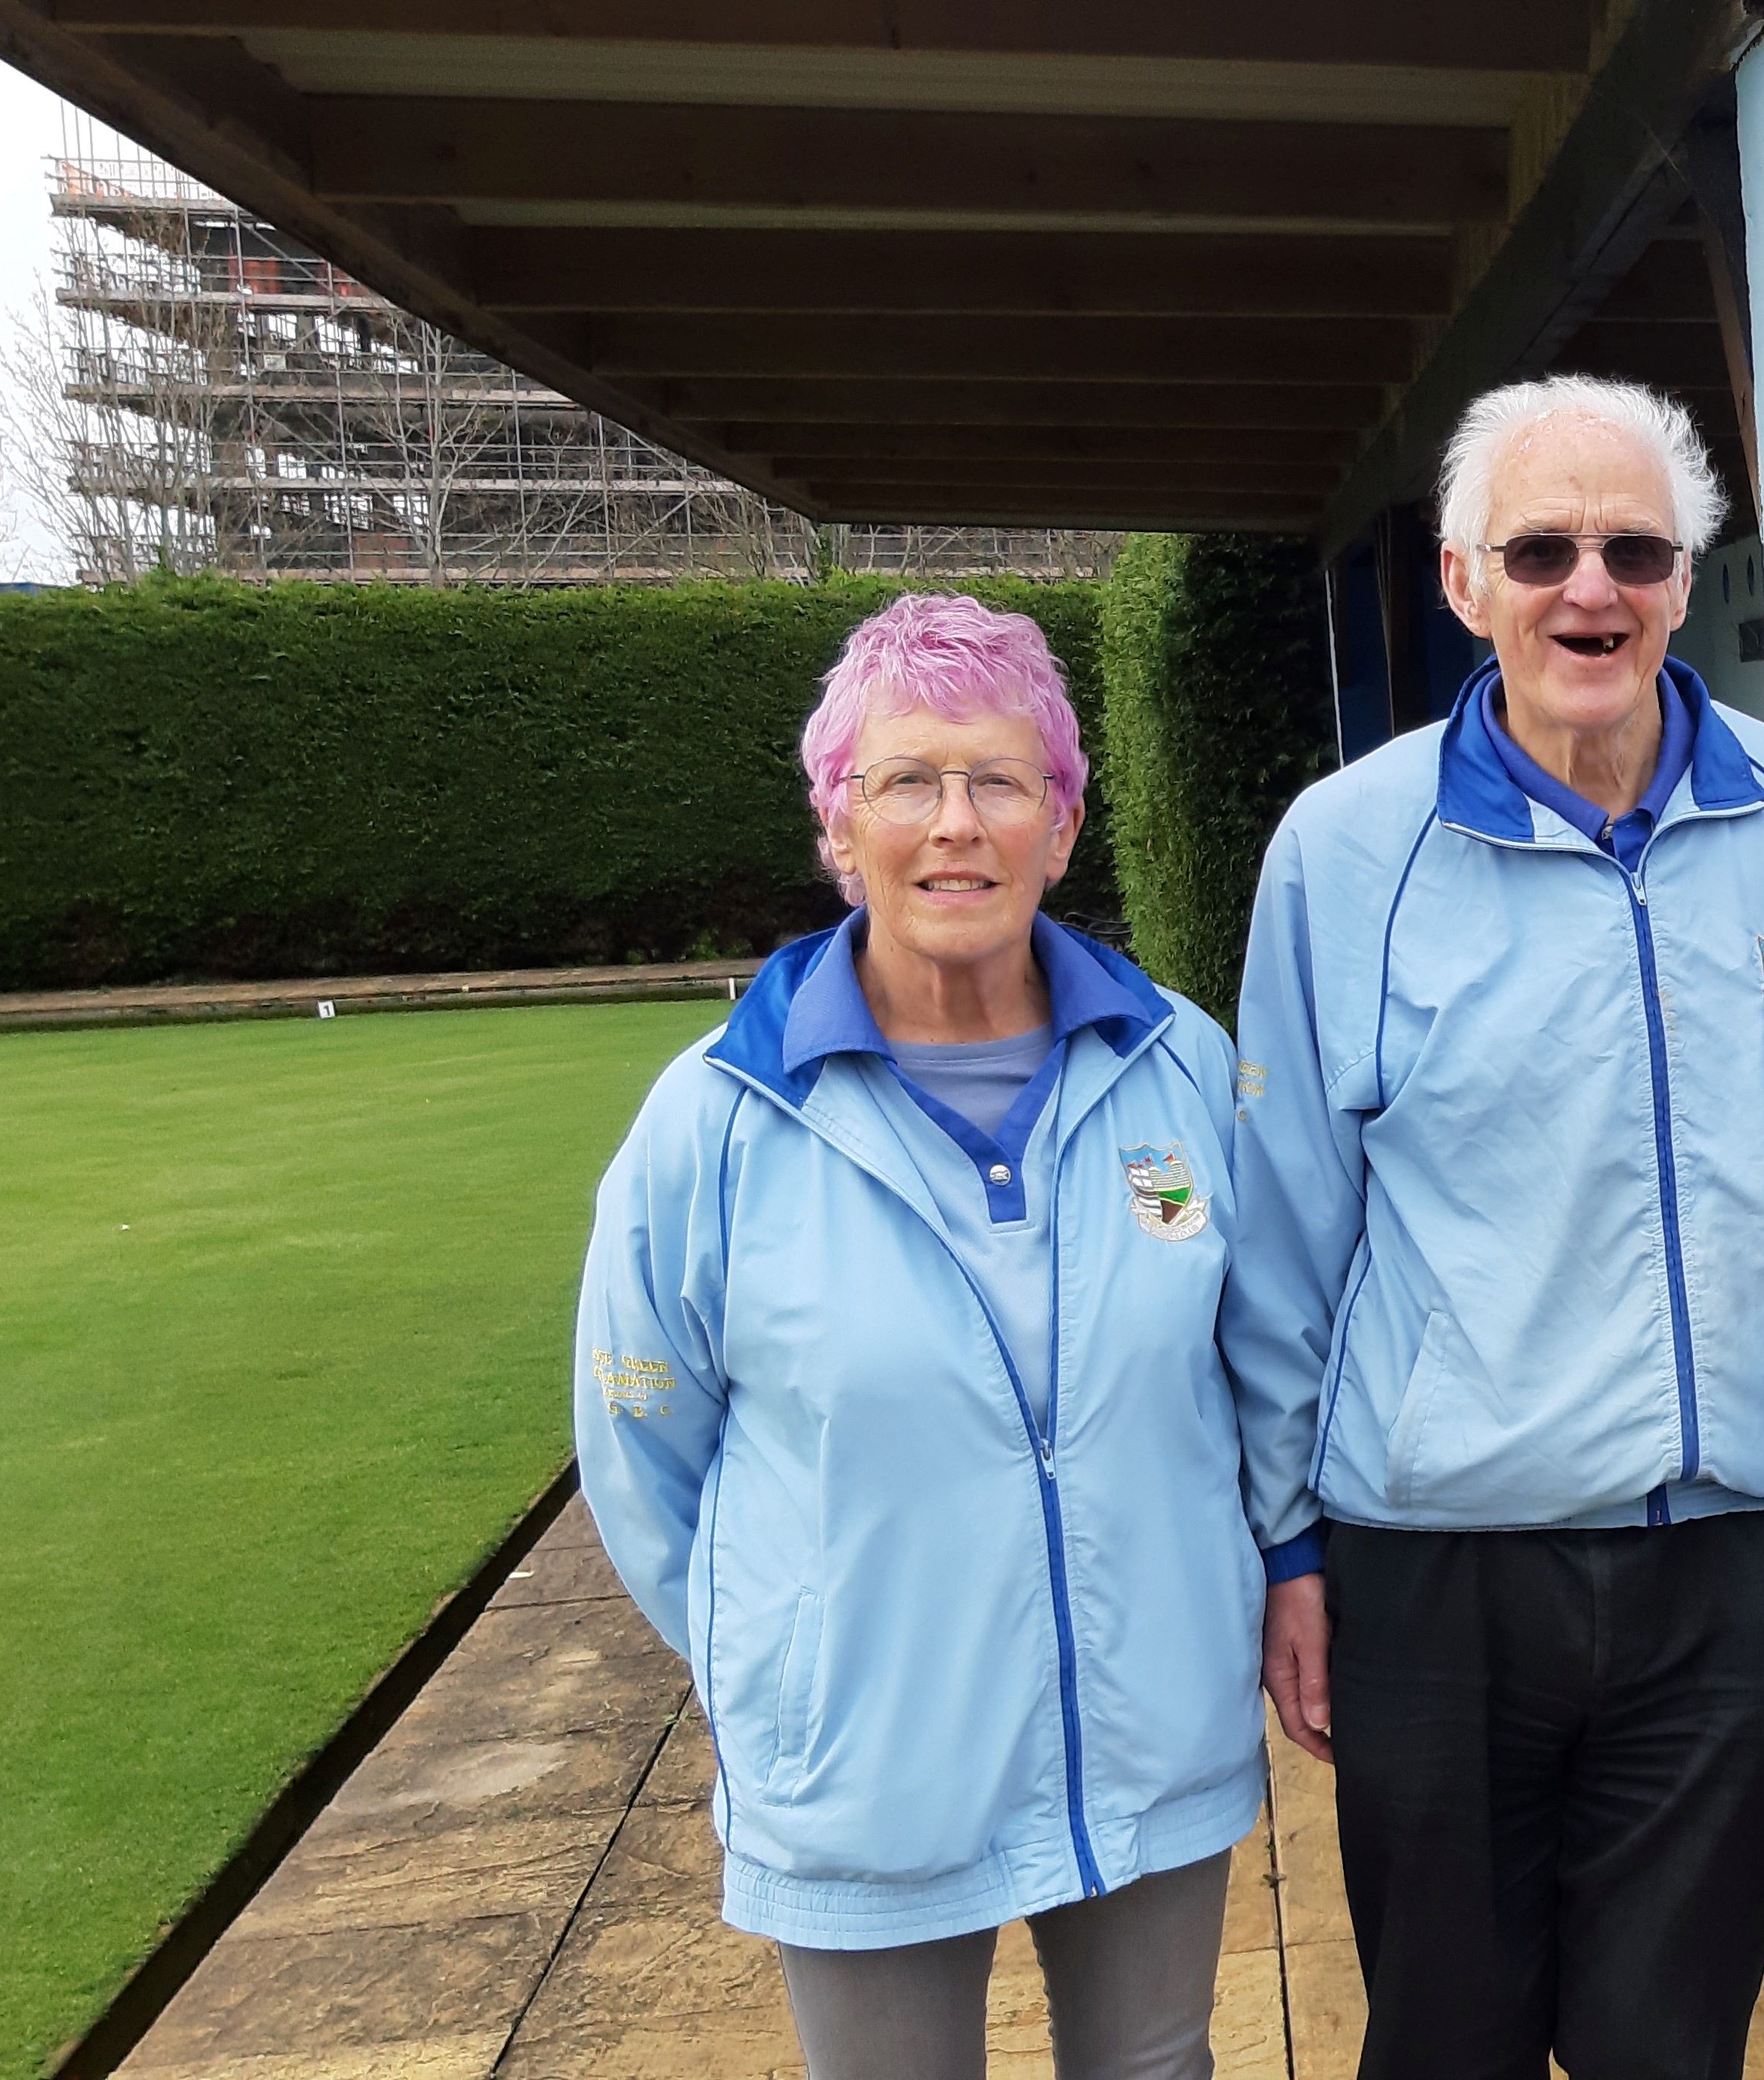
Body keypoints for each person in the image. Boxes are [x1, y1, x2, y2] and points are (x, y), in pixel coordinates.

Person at [1224, 374, 1764, 2078]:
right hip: (1437, 1577)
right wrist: (1290, 1546)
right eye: (1542, 548)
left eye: (1634, 548)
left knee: (1672, 2049)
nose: (1591, 587)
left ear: (1684, 574)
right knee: (1448, 2047)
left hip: (1725, 1567)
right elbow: (1288, 1229)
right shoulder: (1343, 853)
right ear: (1463, 582)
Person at [573, 592, 1260, 2080]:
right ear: (840, 826)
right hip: (865, 1764)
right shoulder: (717, 1119)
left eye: (1000, 780)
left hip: (1152, 1727)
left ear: (1063, 825)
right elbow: (640, 1443)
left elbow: (1257, 1372)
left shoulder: (1182, 1070)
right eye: (907, 781)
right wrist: (790, 1664)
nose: (957, 822)